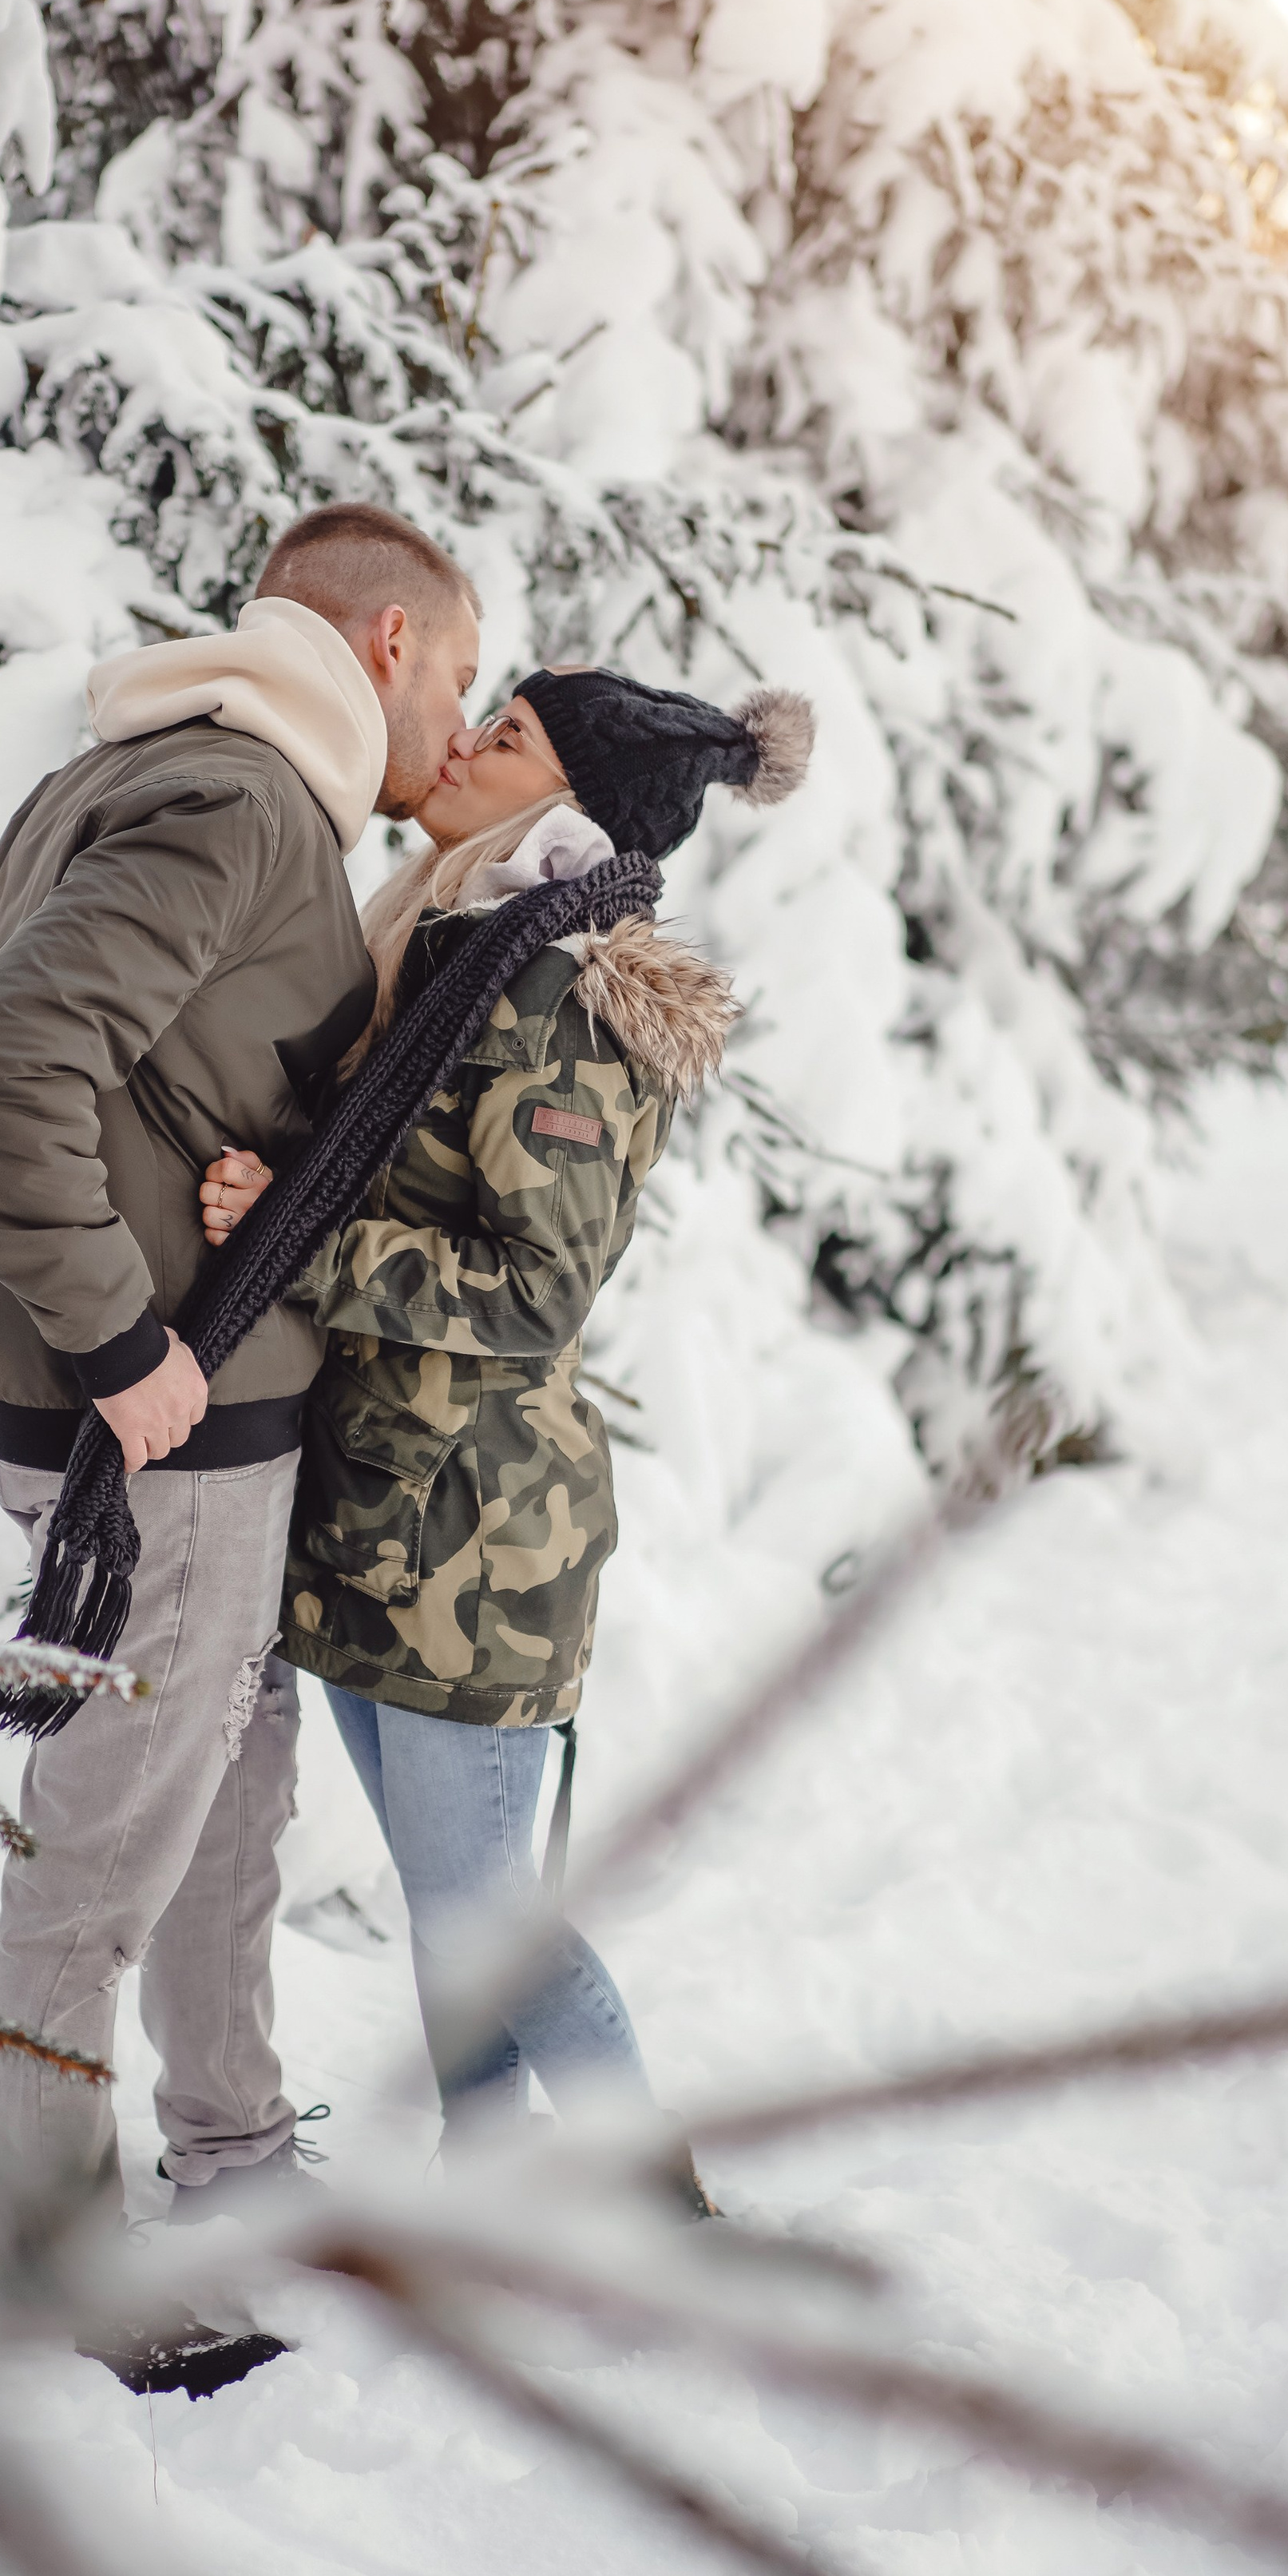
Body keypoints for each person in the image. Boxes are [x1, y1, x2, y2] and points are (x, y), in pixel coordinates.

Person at [0, 506, 484, 2300]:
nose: (458, 727)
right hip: (164, 1426)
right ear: (382, 649)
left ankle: (229, 2149)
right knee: (122, 1828)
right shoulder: (243, 805)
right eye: (456, 676)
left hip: (152, 1415)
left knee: (223, 1783)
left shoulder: (134, 765)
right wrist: (121, 1328)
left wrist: (145, 1186)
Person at [197, 665, 814, 2202]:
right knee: (445, 1895)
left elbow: (537, 1293)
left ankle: (647, 2199)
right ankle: (492, 2161)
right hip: (375, 1505)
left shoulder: (567, 990)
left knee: (485, 1920)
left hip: (477, 1533)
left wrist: (303, 1232)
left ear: (572, 801)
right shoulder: (452, 941)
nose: (465, 743)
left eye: (511, 736)